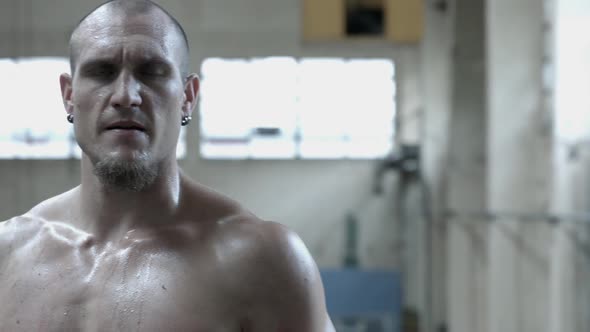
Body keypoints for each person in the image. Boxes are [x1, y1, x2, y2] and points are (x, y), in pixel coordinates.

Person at [0, 1, 335, 330]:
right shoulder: (8, 253)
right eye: (101, 72)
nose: (126, 96)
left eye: (151, 73)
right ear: (69, 94)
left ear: (188, 96)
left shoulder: (263, 262)